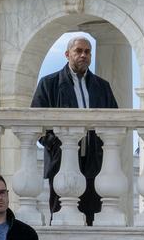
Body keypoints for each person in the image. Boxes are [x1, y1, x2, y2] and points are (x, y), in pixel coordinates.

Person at [31, 33, 119, 220]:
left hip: (95, 163)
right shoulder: (49, 84)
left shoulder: (102, 87)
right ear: (67, 54)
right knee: (62, 216)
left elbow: (115, 121)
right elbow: (36, 123)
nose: (83, 55)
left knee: (93, 217)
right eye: (78, 51)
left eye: (87, 52)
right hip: (62, 161)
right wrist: (55, 146)